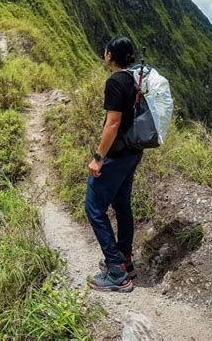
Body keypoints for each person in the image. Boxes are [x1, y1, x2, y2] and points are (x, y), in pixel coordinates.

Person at [85, 36, 142, 293]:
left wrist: (98, 158)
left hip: (117, 155)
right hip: (133, 152)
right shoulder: (135, 79)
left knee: (94, 207)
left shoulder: (115, 81)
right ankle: (126, 259)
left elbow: (113, 123)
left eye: (105, 49)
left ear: (110, 55)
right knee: (121, 205)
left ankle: (117, 271)